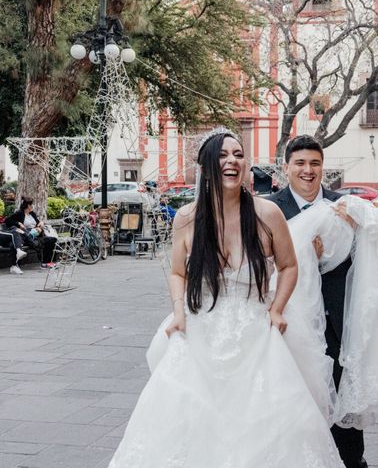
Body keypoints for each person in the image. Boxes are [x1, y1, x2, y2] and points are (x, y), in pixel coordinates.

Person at [108, 130, 344, 468]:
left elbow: (290, 266)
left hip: (257, 332)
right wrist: (178, 312)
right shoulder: (188, 217)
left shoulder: (267, 214)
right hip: (200, 329)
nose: (231, 161)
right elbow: (178, 273)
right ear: (206, 166)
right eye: (222, 155)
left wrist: (277, 308)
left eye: (238, 154)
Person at [268, 135, 368, 468]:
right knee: (292, 406)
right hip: (291, 324)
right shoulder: (267, 208)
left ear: (322, 166)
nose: (308, 170)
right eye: (300, 163)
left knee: (343, 411)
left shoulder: (346, 207)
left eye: (315, 163)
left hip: (339, 326)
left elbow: (367, 267)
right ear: (286, 168)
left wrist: (355, 240)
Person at [4, 197, 56, 274]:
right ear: (28, 206)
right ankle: (16, 264)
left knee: (52, 239)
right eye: (32, 204)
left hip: (36, 235)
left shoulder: (32, 214)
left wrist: (41, 223)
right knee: (14, 244)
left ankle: (46, 262)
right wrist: (18, 223)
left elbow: (38, 223)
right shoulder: (20, 213)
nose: (33, 206)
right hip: (25, 235)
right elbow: (7, 221)